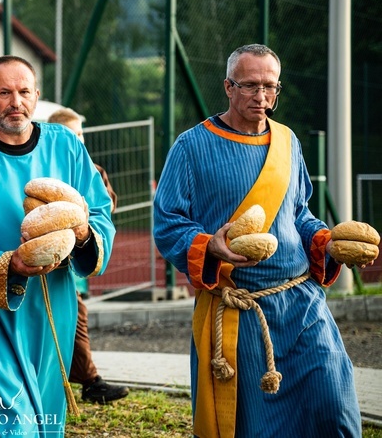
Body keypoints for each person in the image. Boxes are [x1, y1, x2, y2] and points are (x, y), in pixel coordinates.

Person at [153, 43, 363, 437]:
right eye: (250, 86)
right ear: (228, 87)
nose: (261, 97)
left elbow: (299, 213)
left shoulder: (287, 141)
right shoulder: (191, 146)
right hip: (238, 312)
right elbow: (167, 223)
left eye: (270, 87)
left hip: (303, 303)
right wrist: (210, 246)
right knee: (255, 426)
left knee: (334, 405)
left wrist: (328, 243)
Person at [0, 55, 116, 435]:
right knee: (7, 425)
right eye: (4, 93)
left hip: (54, 311)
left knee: (46, 418)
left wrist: (81, 233)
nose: (16, 102)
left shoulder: (66, 146)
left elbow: (99, 211)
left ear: (37, 95)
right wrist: (9, 265)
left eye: (24, 92)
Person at [46, 107, 130, 404]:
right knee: (73, 316)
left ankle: (83, 380)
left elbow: (106, 207)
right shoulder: (46, 169)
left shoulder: (91, 170)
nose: (78, 141)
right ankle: (88, 380)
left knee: (74, 315)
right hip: (50, 263)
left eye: (81, 135)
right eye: (72, 135)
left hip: (77, 262)